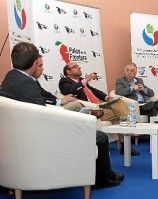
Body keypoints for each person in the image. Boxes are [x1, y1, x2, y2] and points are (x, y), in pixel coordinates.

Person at [0, 41, 124, 189]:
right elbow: (42, 115)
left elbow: (41, 102)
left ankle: (105, 174)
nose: (42, 68)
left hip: (22, 135)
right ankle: (103, 179)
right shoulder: (27, 83)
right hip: (40, 137)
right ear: (33, 63)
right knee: (99, 137)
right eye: (40, 65)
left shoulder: (11, 77)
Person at [59, 62, 140, 156]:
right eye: (75, 67)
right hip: (90, 110)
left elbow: (94, 91)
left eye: (78, 66)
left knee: (119, 102)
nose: (79, 68)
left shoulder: (81, 81)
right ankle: (129, 132)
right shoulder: (64, 81)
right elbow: (71, 90)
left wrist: (106, 97)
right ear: (68, 71)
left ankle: (127, 141)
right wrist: (87, 79)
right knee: (118, 114)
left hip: (98, 105)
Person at [115, 63, 158, 147]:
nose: (129, 72)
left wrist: (144, 90)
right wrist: (132, 88)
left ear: (135, 73)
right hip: (135, 107)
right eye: (127, 70)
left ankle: (153, 106)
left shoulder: (139, 80)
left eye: (132, 71)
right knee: (151, 105)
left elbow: (151, 93)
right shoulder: (120, 81)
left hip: (145, 105)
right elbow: (119, 92)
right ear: (124, 71)